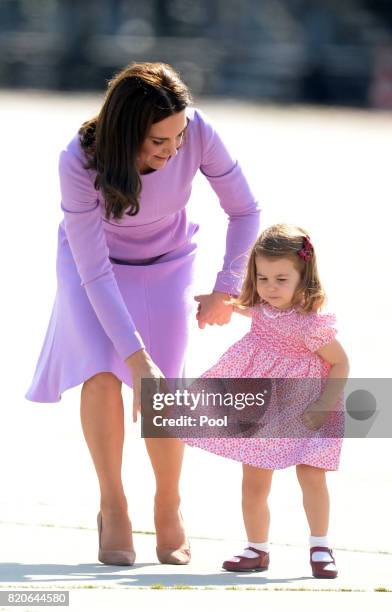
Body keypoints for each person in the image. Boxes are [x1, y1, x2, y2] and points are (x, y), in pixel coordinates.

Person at [24, 62, 260, 566]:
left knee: (164, 389)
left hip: (167, 263)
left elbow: (245, 210)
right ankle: (113, 504)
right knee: (102, 376)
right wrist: (133, 355)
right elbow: (92, 271)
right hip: (92, 268)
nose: (173, 149)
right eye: (158, 140)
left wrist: (226, 288)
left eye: (177, 137)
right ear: (126, 130)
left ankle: (169, 504)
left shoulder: (196, 130)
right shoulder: (79, 159)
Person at [184, 223, 349, 578]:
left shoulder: (310, 325)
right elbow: (235, 307)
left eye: (281, 279)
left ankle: (320, 545)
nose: (270, 288)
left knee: (312, 475)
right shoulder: (260, 309)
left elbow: (341, 362)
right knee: (254, 479)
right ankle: (256, 548)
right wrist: (216, 303)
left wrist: (324, 407)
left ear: (304, 277)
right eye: (263, 278)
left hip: (308, 408)